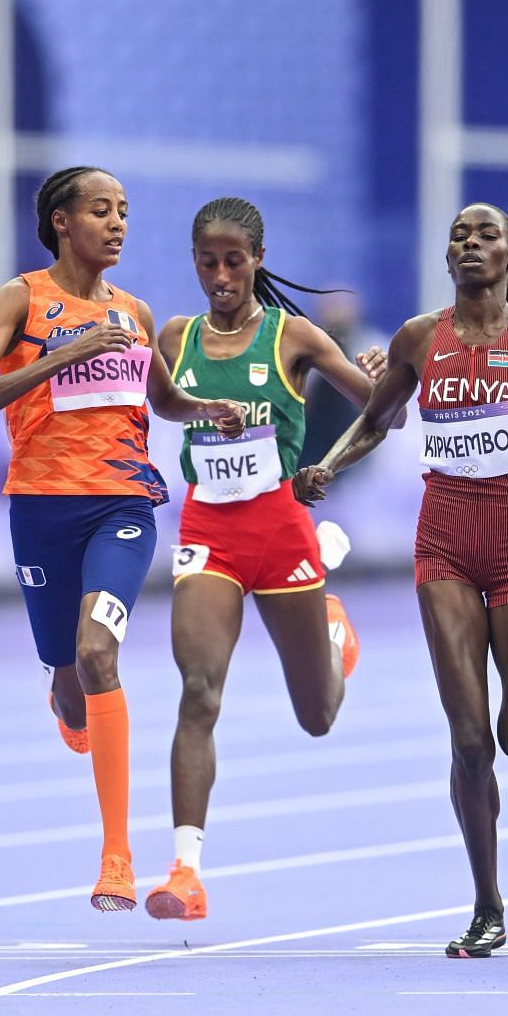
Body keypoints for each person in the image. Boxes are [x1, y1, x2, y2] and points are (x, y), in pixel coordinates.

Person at [294, 202, 508, 958]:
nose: (470, 243)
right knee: (469, 738)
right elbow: (378, 417)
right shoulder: (417, 338)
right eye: (459, 236)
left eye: (486, 235)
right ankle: (487, 904)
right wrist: (329, 465)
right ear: (449, 259)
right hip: (443, 546)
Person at [0, 166, 243, 912]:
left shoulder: (136, 313)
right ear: (60, 222)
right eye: (99, 211)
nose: (116, 224)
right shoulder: (20, 299)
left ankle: (116, 856)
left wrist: (206, 406)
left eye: (123, 212)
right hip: (40, 509)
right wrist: (60, 356)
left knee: (97, 651)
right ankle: (65, 700)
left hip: (123, 505)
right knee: (68, 677)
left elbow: (162, 396)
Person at [145, 197, 388, 921]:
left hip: (281, 531)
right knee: (199, 689)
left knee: (316, 715)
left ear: (256, 259)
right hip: (208, 531)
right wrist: (196, 413)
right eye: (207, 262)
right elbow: (161, 404)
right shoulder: (176, 335)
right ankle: (186, 872)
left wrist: (378, 380)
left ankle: (334, 631)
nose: (220, 276)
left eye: (233, 261)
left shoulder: (294, 337)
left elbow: (384, 410)